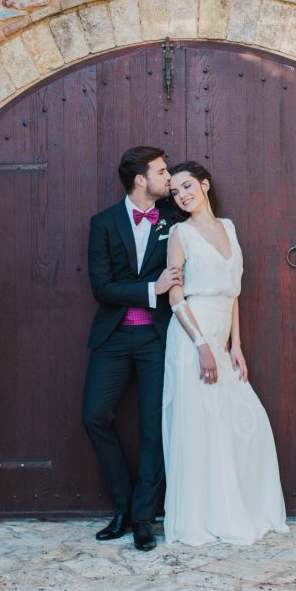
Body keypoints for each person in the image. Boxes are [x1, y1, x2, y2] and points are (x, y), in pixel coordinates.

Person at [163, 161, 289, 545]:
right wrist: (202, 346)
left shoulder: (229, 228)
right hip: (191, 338)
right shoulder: (179, 233)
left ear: (204, 185)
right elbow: (175, 295)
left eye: (187, 186)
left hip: (220, 339)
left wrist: (236, 346)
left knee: (246, 422)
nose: (182, 195)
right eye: (175, 192)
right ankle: (202, 519)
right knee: (202, 428)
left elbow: (233, 292)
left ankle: (240, 509)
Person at [83, 146, 181, 552]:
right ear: (141, 180)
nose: (169, 177)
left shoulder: (175, 220)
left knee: (153, 427)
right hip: (115, 337)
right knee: (95, 416)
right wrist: (149, 289)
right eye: (162, 171)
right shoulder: (103, 223)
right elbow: (100, 287)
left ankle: (143, 517)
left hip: (159, 338)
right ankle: (122, 507)